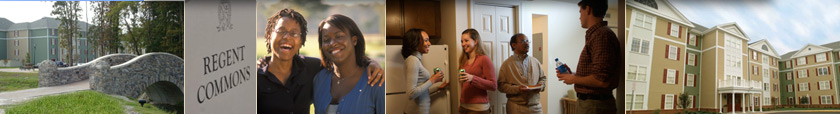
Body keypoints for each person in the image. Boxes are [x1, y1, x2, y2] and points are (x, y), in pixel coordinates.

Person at [256, 9, 385, 114]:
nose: (287, 37)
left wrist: (371, 62)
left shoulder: (313, 69)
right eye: (281, 31)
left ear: (301, 41)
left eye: (294, 33)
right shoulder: (255, 78)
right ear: (268, 36)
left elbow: (347, 60)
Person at [556, 0, 621, 113]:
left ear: (588, 9)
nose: (579, 17)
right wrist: (574, 75)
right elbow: (598, 74)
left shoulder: (601, 36)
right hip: (591, 104)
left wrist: (574, 79)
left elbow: (601, 81)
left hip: (594, 106)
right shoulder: (597, 35)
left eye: (580, 12)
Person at [313, 14, 384, 114]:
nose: (332, 43)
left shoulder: (375, 80)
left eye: (339, 36)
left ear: (354, 40)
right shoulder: (319, 79)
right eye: (326, 40)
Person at [402, 28, 449, 114]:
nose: (429, 44)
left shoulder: (415, 60)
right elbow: (411, 94)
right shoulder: (413, 60)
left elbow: (421, 93)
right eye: (426, 40)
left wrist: (438, 88)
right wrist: (433, 80)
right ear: (415, 42)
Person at [498, 34, 545, 114]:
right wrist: (518, 89)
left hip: (536, 106)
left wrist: (540, 85)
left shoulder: (535, 61)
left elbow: (543, 78)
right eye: (523, 41)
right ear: (514, 45)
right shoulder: (507, 64)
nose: (527, 43)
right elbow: (501, 86)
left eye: (527, 41)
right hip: (516, 107)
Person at [458, 28, 497, 114]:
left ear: (475, 42)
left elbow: (493, 85)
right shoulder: (463, 61)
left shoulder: (484, 59)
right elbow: (463, 86)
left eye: (466, 40)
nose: (463, 44)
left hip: (479, 108)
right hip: (464, 106)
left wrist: (473, 78)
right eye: (462, 41)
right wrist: (460, 103)